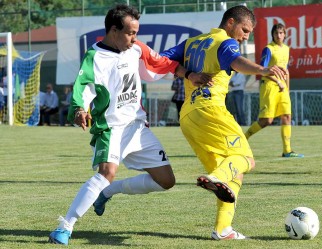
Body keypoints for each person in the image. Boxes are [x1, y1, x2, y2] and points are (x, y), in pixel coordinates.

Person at [48, 4, 211, 245]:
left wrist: (190, 75)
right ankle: (65, 226)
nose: (135, 38)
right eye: (130, 32)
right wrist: (79, 109)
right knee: (107, 173)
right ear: (114, 30)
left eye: (136, 32)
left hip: (137, 127)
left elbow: (162, 63)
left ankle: (109, 192)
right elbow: (82, 88)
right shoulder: (95, 58)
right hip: (110, 128)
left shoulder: (136, 49)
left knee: (166, 181)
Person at [159, 5, 286, 240]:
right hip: (211, 110)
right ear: (230, 22)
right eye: (244, 30)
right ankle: (216, 177)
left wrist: (188, 74)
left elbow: (162, 60)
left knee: (232, 176)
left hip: (188, 116)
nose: (245, 36)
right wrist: (264, 70)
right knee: (246, 160)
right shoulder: (225, 42)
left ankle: (222, 230)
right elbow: (237, 61)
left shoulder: (191, 42)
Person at [244, 23, 304, 158]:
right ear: (272, 34)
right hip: (269, 86)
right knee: (266, 121)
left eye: (281, 33)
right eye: (276, 33)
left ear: (285, 34)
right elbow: (262, 71)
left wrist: (287, 87)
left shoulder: (286, 49)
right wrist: (277, 81)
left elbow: (286, 70)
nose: (279, 35)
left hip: (283, 88)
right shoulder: (268, 49)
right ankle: (244, 138)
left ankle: (287, 151)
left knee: (287, 117)